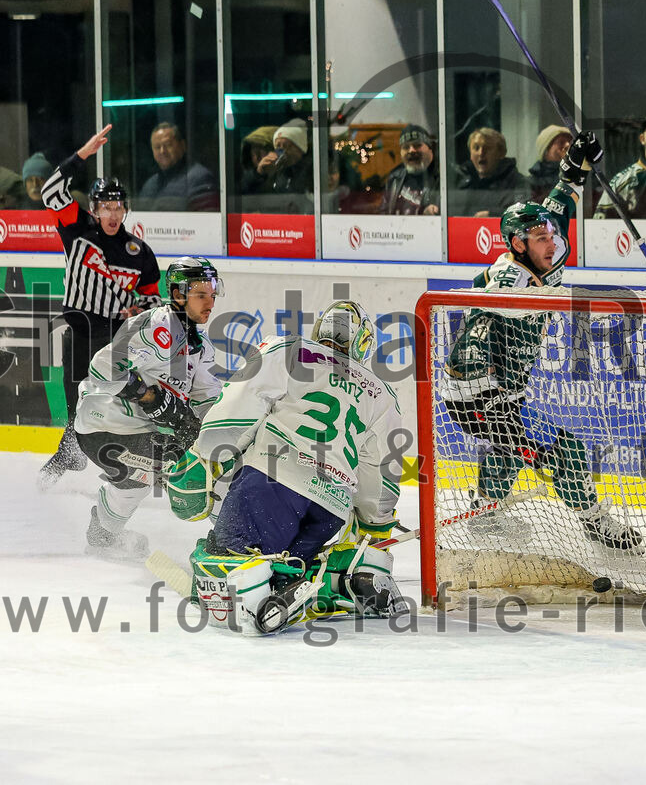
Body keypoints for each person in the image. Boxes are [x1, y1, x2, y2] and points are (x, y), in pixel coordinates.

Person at [443, 131, 643, 551]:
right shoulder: (505, 280)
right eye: (541, 239)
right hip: (478, 397)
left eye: (551, 235)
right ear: (517, 245)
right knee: (564, 446)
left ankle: (485, 510)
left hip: (505, 396)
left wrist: (576, 163)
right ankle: (594, 521)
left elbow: (560, 200)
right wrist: (486, 390)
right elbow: (470, 339)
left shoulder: (547, 252)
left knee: (511, 445)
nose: (553, 243)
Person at [166, 300, 405, 634]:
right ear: (362, 342)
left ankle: (247, 592)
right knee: (288, 565)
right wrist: (375, 529)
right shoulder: (382, 393)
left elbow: (240, 404)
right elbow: (379, 474)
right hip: (329, 509)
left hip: (273, 482)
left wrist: (205, 457)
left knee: (225, 556)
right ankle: (326, 582)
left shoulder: (289, 349)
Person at [37, 124, 163, 490]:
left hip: (115, 337)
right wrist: (82, 155)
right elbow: (50, 191)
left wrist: (138, 308)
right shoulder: (76, 228)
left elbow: (154, 298)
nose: (112, 212)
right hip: (79, 330)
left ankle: (120, 462)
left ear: (125, 209)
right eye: (105, 206)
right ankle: (71, 455)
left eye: (118, 205)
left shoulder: (138, 251)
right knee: (79, 404)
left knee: (123, 401)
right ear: (93, 208)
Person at [76, 256, 224, 559]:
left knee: (136, 482)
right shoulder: (159, 325)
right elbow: (103, 367)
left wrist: (222, 433)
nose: (210, 301)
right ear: (179, 294)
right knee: (194, 474)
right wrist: (150, 398)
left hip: (136, 433)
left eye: (212, 292)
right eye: (201, 293)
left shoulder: (202, 347)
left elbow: (207, 405)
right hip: (105, 425)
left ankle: (102, 533)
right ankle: (230, 543)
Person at [138, 122, 219, 212]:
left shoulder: (200, 178)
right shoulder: (150, 184)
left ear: (183, 145)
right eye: (157, 147)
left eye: (168, 145)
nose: (162, 151)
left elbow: (207, 221)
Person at [453, 127, 532, 217]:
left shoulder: (518, 182)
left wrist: (493, 215)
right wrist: (436, 209)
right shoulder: (462, 180)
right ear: (470, 154)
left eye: (487, 148)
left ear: (501, 153)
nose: (481, 153)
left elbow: (523, 213)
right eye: (476, 148)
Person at [379, 124, 440, 215]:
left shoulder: (443, 175)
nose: (411, 150)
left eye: (417, 145)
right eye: (406, 147)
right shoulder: (395, 177)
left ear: (430, 148)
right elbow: (383, 212)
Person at [528, 124, 572, 201]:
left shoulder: (579, 175)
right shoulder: (532, 182)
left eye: (570, 141)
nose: (567, 145)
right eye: (561, 142)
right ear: (546, 149)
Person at [238, 125, 280, 195]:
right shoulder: (250, 178)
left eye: (259, 153)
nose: (256, 158)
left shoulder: (289, 172)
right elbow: (243, 189)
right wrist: (258, 174)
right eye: (252, 155)